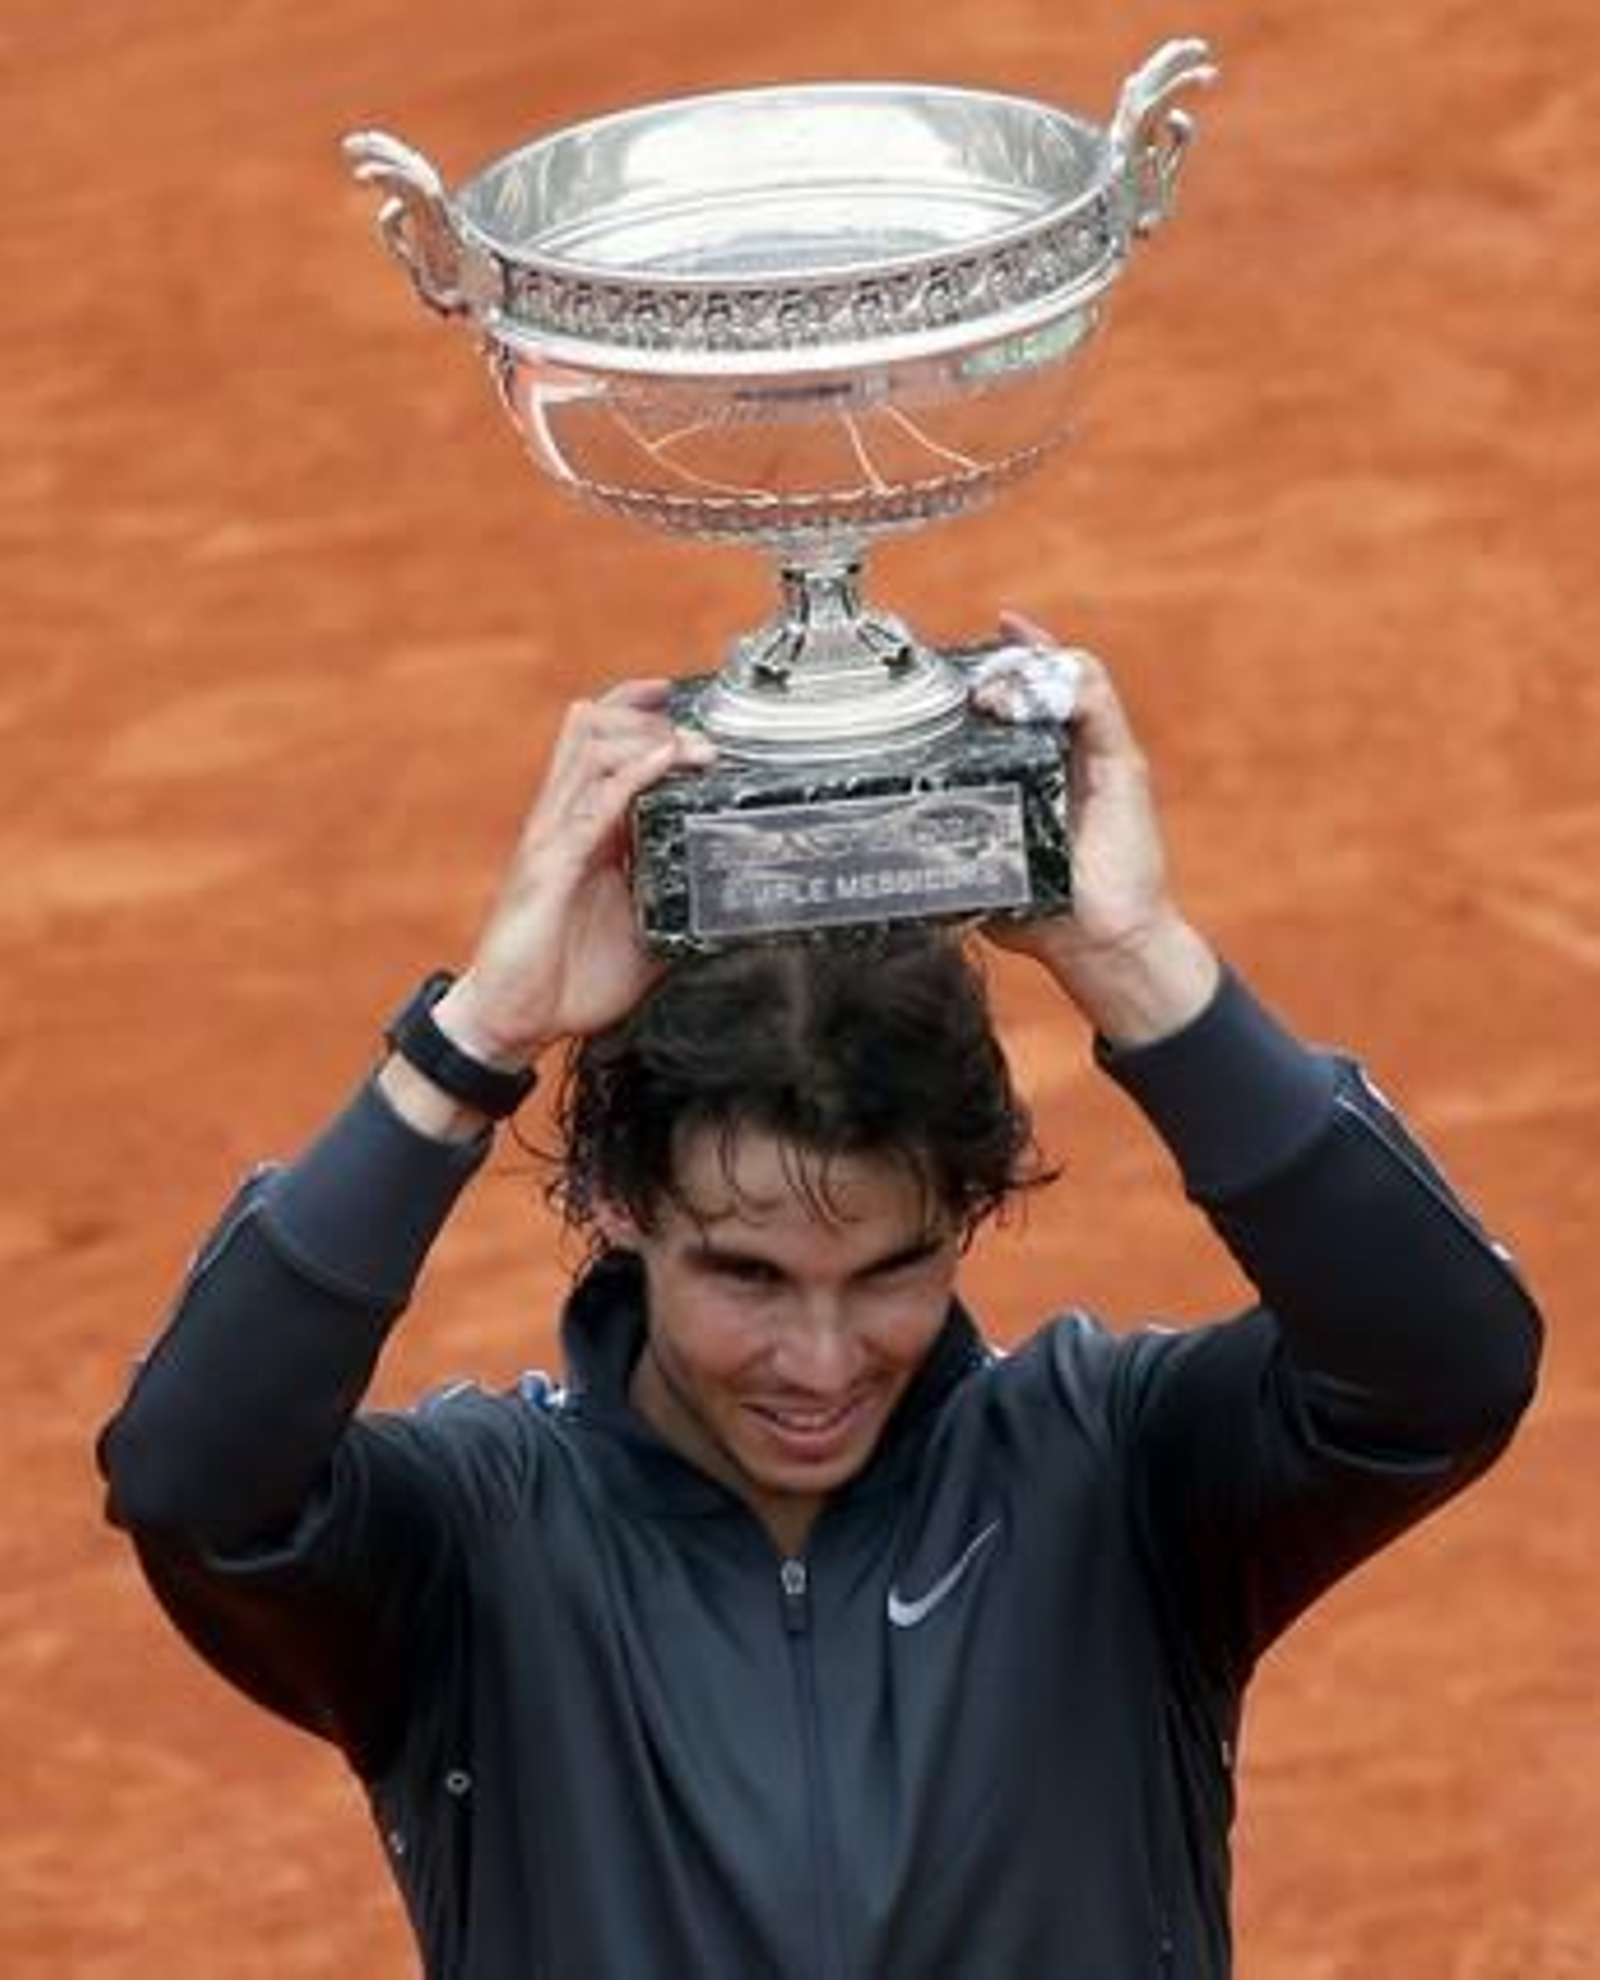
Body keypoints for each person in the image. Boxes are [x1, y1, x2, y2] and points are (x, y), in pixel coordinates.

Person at [99, 633, 1541, 1979]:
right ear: (622, 1207)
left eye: (893, 1270)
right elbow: (191, 1478)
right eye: (747, 1274)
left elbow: (1443, 1366)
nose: (823, 1360)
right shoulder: (470, 1552)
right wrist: (475, 1038)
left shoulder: (1118, 1477)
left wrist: (1135, 961)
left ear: (971, 1216)